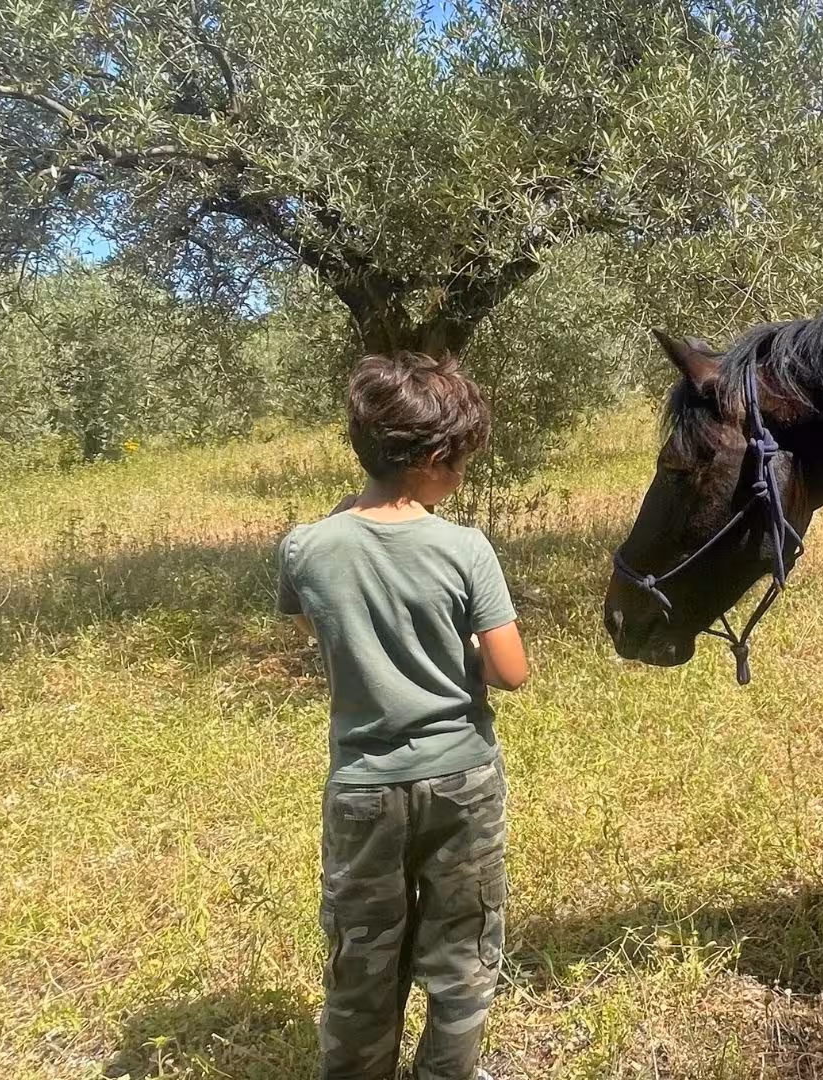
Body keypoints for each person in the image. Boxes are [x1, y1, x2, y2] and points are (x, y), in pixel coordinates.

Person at [276, 351, 529, 1080]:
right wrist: (468, 646)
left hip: (361, 787)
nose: (461, 476)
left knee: (362, 949)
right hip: (461, 780)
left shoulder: (306, 547)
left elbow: (320, 633)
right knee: (463, 948)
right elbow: (511, 673)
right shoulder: (465, 549)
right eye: (461, 460)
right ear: (434, 457)